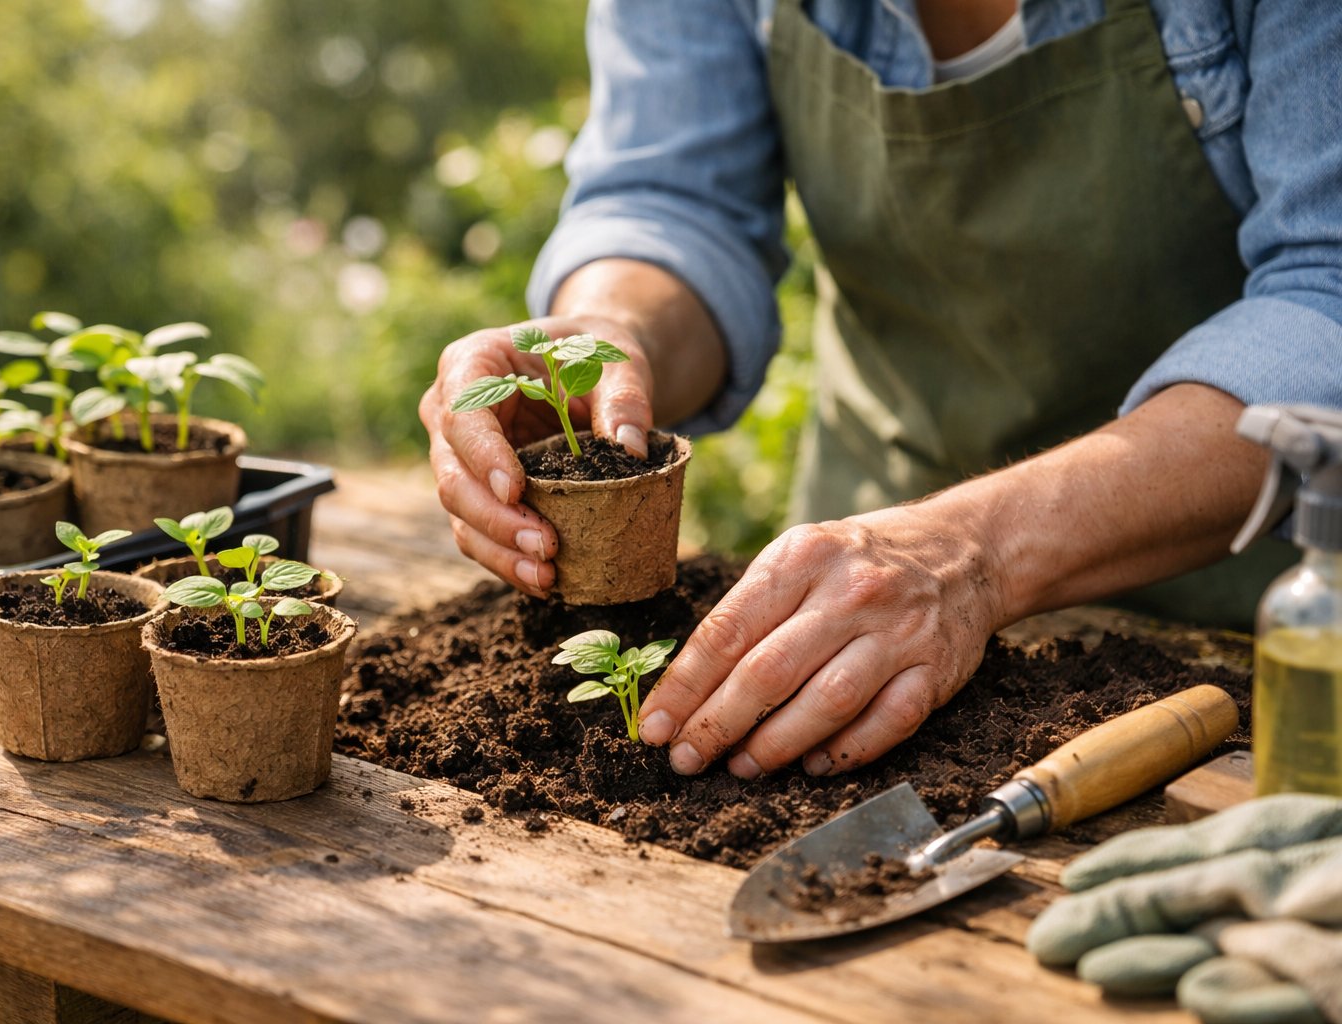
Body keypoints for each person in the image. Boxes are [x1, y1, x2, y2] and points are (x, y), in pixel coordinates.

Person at [418, 0, 1342, 782]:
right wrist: (612, 332)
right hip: (858, 624)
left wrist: (976, 550)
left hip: (1282, 626)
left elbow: (1328, 290)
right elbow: (673, 195)